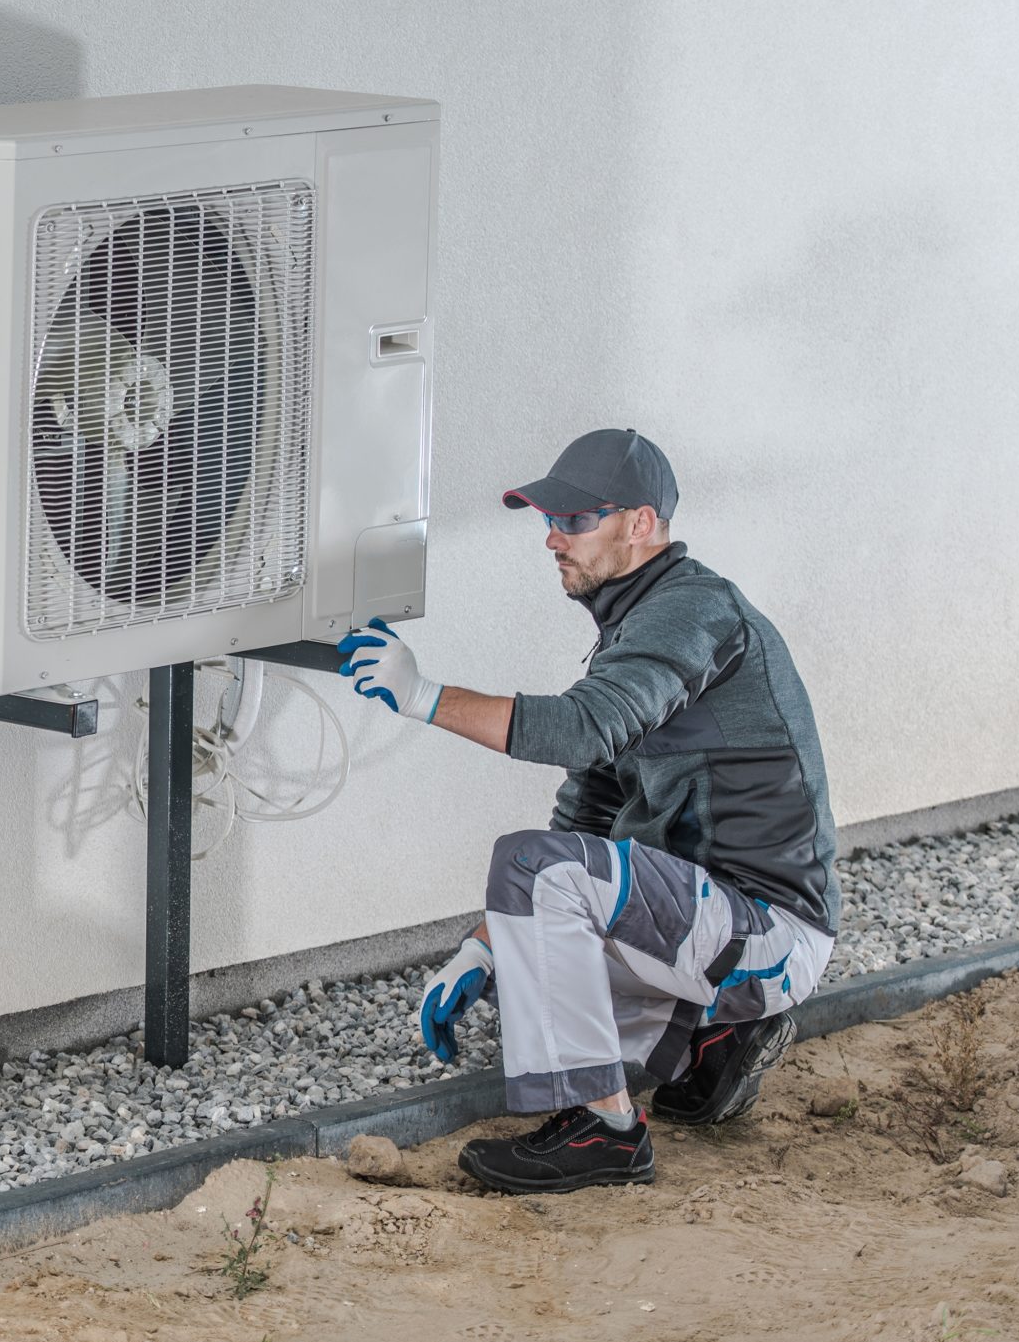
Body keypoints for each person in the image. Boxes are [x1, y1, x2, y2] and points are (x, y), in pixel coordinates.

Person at [335, 428, 838, 1194]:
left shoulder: (692, 611)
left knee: (531, 874)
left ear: (641, 523)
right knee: (527, 964)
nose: (551, 538)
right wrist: (486, 944)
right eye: (550, 520)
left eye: (574, 521)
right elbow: (589, 806)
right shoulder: (635, 627)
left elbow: (581, 727)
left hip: (766, 927)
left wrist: (422, 696)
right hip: (711, 920)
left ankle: (606, 1131)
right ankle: (713, 1044)